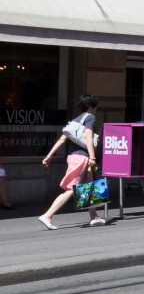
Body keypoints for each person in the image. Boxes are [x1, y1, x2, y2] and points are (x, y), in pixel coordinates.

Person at [38, 94, 105, 230]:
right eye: (96, 107)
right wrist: (92, 157)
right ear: (93, 107)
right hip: (82, 157)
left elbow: (62, 139)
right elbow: (88, 136)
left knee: (88, 186)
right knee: (71, 188)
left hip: (73, 156)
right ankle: (47, 215)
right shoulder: (90, 117)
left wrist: (49, 155)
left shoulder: (75, 120)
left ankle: (94, 217)